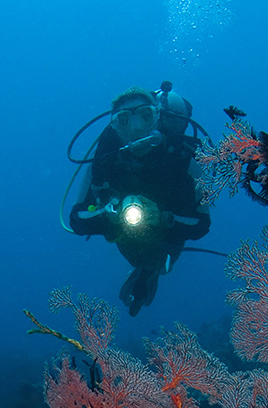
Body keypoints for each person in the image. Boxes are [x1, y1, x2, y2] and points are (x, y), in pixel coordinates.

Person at [69, 82, 211, 316]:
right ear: (114, 125)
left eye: (144, 116)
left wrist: (163, 218)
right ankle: (147, 270)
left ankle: (152, 269)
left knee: (164, 262)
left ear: (157, 118)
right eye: (124, 120)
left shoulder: (183, 155)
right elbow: (76, 219)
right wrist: (109, 214)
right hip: (123, 232)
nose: (135, 129)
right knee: (140, 257)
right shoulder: (105, 156)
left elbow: (202, 223)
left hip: (169, 234)